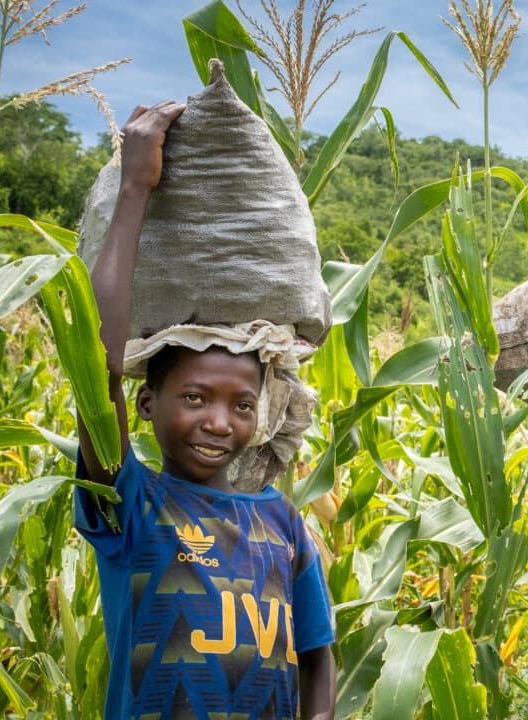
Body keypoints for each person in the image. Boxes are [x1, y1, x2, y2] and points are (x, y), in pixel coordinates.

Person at [74, 100, 336, 720]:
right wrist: (136, 188)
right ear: (145, 402)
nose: (219, 422)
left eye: (242, 404)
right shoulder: (132, 505)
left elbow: (318, 655)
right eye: (194, 397)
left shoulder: (284, 525)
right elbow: (98, 365)